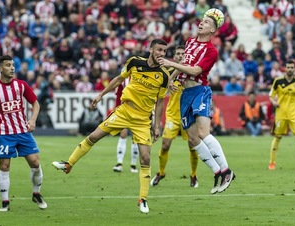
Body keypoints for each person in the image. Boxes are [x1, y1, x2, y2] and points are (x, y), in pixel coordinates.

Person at [52, 39, 170, 214]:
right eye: (159, 50)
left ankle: (142, 199)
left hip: (143, 119)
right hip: (123, 111)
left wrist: (157, 125)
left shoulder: (164, 75)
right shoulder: (134, 62)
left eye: (164, 51)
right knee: (93, 137)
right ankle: (69, 164)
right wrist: (100, 95)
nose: (162, 53)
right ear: (151, 49)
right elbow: (118, 79)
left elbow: (160, 102)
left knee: (145, 158)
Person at [158, 9, 235, 194]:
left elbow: (194, 70)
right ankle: (217, 172)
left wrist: (170, 64)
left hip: (200, 91)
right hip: (185, 94)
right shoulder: (190, 42)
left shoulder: (212, 51)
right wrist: (172, 79)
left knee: (203, 132)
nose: (202, 23)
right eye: (202, 20)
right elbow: (185, 62)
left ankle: (226, 170)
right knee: (193, 139)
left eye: (207, 22)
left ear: (212, 31)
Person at [0, 55, 47, 212]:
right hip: (4, 134)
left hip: (23, 132)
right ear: (0, 68)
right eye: (8, 65)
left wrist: (32, 120)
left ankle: (36, 193)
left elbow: (35, 104)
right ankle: (5, 202)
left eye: (12, 65)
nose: (12, 68)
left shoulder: (22, 85)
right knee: (4, 166)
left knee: (35, 163)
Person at [150, 46, 199, 188]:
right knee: (165, 145)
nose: (180, 55)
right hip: (172, 115)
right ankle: (161, 172)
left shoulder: (192, 71)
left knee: (192, 146)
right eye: (178, 54)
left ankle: (194, 175)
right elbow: (159, 92)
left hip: (188, 115)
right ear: (174, 56)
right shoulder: (168, 72)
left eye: (183, 53)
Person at [112, 78, 139, 174]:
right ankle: (119, 163)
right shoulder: (124, 78)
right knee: (123, 135)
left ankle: (133, 164)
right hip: (124, 111)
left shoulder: (141, 76)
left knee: (135, 137)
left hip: (137, 111)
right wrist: (117, 110)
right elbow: (118, 94)